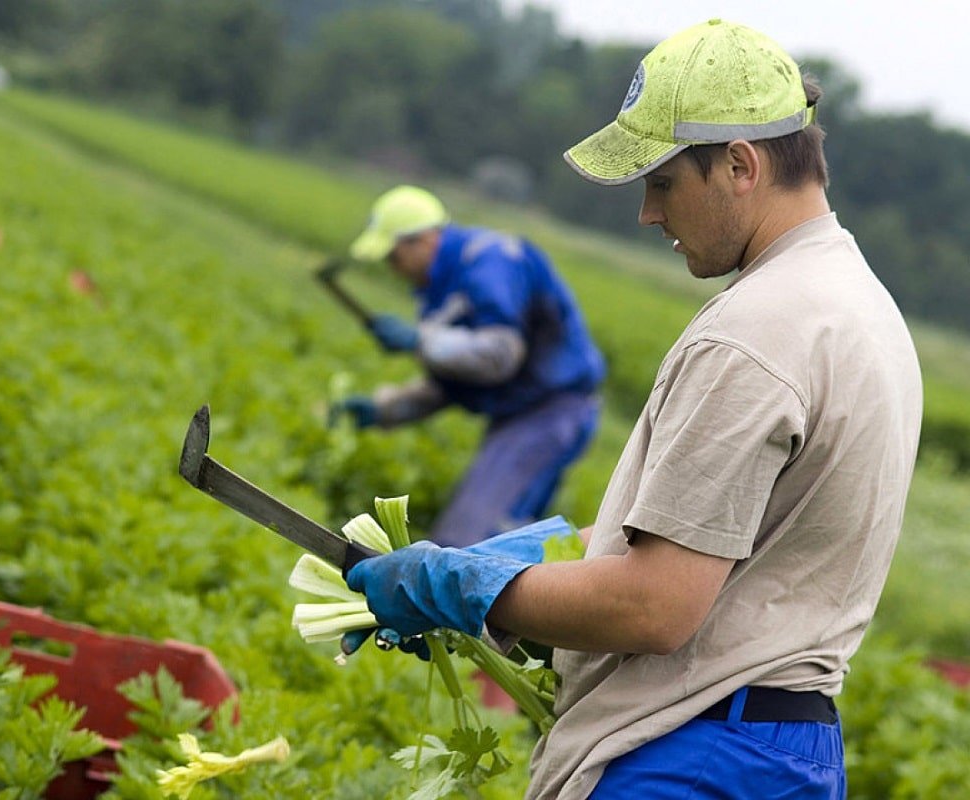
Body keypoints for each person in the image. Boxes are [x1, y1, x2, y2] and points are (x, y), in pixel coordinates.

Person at [342, 19, 923, 799]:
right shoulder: (860, 307)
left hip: (690, 754)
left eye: (661, 184)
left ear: (740, 165)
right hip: (777, 748)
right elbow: (717, 551)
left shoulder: (756, 332)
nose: (650, 216)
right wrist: (519, 561)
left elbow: (654, 606)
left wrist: (460, 587)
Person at [331, 185, 606, 547]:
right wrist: (386, 409)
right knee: (499, 542)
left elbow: (500, 356)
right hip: (521, 415)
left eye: (394, 257)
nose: (392, 268)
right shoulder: (438, 293)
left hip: (549, 412)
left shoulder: (490, 261)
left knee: (470, 542)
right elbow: (454, 381)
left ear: (424, 240)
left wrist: (421, 341)